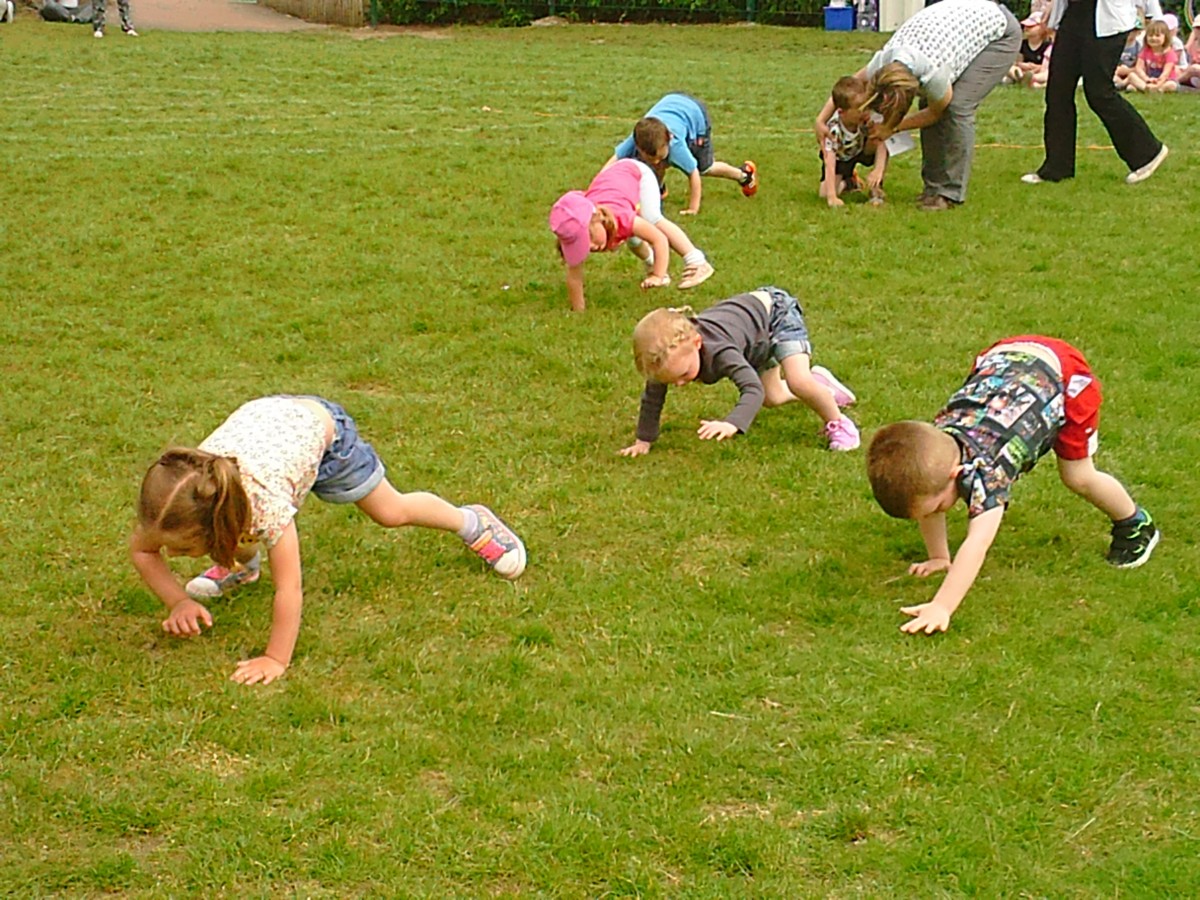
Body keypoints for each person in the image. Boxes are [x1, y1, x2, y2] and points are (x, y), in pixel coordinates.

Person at [129, 396, 527, 685]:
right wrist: (178, 601)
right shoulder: (178, 501)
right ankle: (242, 566)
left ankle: (472, 522)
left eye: (182, 548)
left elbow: (290, 587)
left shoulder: (263, 506)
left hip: (322, 433)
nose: (173, 555)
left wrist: (275, 658)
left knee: (391, 512)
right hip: (272, 430)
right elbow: (143, 551)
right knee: (239, 529)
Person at [866, 336, 1160, 635]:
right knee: (932, 494)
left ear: (956, 474)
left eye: (939, 506)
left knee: (1077, 476)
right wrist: (940, 558)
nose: (937, 511)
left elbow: (977, 544)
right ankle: (939, 551)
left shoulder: (988, 475)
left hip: (1064, 379)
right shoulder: (936, 446)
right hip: (1005, 359)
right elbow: (928, 504)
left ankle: (1135, 523)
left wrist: (942, 606)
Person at [816, 0, 1021, 211]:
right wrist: (820, 120)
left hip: (999, 33)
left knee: (957, 107)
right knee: (933, 101)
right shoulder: (883, 62)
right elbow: (851, 85)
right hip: (954, 25)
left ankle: (949, 193)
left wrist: (891, 127)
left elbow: (934, 113)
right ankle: (932, 189)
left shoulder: (934, 75)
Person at [618, 287, 861, 457]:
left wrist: (732, 423)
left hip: (776, 316)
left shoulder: (720, 351)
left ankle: (840, 424)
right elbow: (652, 398)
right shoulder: (666, 361)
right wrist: (644, 440)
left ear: (697, 343)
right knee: (772, 397)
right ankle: (821, 387)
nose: (680, 384)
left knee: (798, 380)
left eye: (684, 374)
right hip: (755, 343)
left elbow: (751, 388)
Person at [1021, 0, 1168, 185]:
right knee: (1057, 91)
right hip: (1074, 17)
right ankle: (1057, 167)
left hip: (1107, 22)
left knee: (1099, 93)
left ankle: (1148, 153)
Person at [549, 159, 714, 312]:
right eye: (582, 243)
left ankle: (696, 260)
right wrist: (579, 312)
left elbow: (659, 239)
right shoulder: (581, 225)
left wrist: (658, 275)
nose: (590, 246)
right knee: (634, 241)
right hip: (616, 182)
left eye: (590, 237)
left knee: (653, 219)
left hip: (637, 174)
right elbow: (574, 278)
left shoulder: (622, 217)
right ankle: (651, 264)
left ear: (598, 218)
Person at [607, 93, 757, 216]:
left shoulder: (675, 145)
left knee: (704, 167)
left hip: (696, 116)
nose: (657, 161)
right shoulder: (636, 139)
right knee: (652, 165)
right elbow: (613, 162)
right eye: (652, 157)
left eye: (660, 156)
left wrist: (693, 209)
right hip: (671, 103)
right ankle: (658, 191)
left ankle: (744, 175)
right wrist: (596, 190)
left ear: (668, 140)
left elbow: (694, 174)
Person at [819, 75, 892, 208]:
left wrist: (878, 170)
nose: (863, 111)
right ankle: (850, 182)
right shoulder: (833, 131)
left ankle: (876, 189)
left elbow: (882, 142)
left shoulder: (867, 120)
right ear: (841, 112)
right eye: (858, 108)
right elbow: (830, 162)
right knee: (824, 193)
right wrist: (832, 196)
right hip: (842, 157)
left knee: (877, 136)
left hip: (862, 149)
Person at [1117, 19, 1180, 91]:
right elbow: (1139, 68)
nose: (1153, 38)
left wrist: (1158, 83)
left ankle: (1156, 89)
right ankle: (1147, 88)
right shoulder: (1145, 51)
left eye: (1157, 35)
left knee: (1171, 85)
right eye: (1150, 36)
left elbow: (1166, 73)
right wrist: (1147, 79)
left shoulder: (1169, 53)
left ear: (1165, 37)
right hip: (1148, 79)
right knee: (1132, 76)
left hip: (1165, 80)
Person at [1004, 15, 1054, 88]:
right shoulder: (1022, 44)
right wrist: (1023, 65)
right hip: (1023, 70)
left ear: (1042, 28)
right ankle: (1020, 77)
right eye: (1025, 26)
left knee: (1048, 74)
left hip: (1039, 71)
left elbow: (1047, 66)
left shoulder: (1047, 46)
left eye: (1031, 27)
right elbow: (1017, 62)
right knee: (1010, 68)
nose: (1026, 29)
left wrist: (1035, 67)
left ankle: (1029, 80)